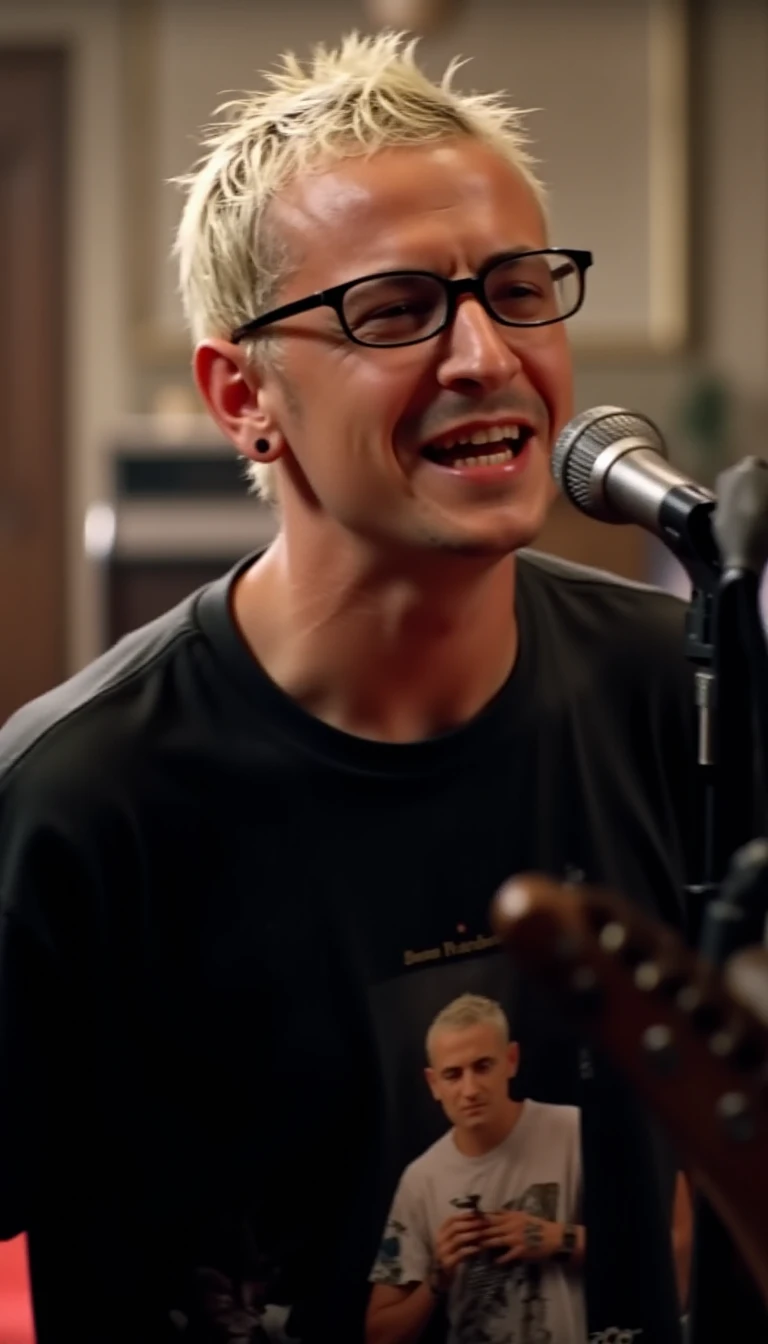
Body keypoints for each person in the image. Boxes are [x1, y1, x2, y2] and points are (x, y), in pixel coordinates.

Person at [0, 30, 697, 1344]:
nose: (486, 354)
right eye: (395, 311)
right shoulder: (74, 802)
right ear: (242, 396)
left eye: (520, 286)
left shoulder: (684, 696)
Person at [366, 994, 586, 1344]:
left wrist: (559, 1239)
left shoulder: (573, 1133)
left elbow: (652, 1255)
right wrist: (437, 1280)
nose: (470, 1090)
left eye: (483, 1066)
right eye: (453, 1074)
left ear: (511, 1060)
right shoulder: (422, 1179)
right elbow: (378, 1334)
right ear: (433, 1084)